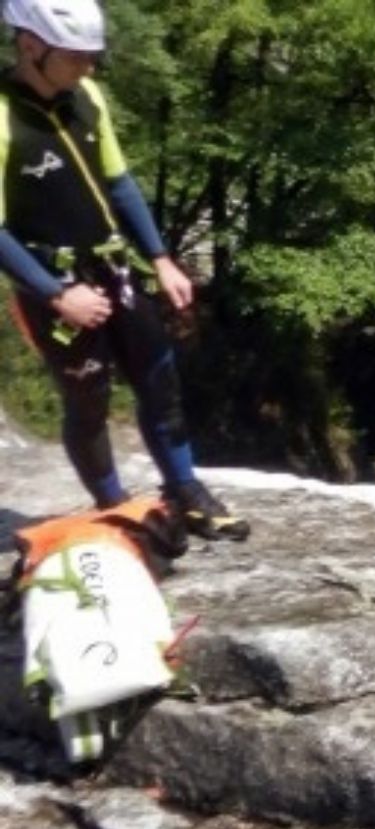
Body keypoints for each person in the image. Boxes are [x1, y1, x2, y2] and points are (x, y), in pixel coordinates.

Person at [0, 0, 246, 539]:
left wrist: (159, 257)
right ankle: (116, 505)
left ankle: (184, 489)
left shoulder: (86, 96)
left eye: (93, 57)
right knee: (88, 399)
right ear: (30, 46)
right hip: (56, 288)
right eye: (76, 57)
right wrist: (53, 293)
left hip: (114, 268)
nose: (88, 68)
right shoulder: (2, 117)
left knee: (160, 378)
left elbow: (119, 182)